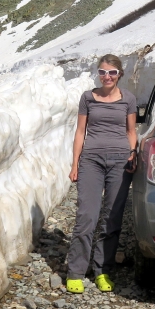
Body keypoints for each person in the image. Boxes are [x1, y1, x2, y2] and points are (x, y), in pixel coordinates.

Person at [66, 54, 137, 294]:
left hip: (120, 161)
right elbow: (80, 132)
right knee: (87, 215)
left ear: (119, 74)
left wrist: (133, 153)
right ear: (98, 74)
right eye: (103, 72)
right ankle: (76, 271)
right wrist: (75, 163)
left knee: (112, 217)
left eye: (112, 72)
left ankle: (102, 270)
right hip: (91, 161)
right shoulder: (88, 97)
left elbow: (131, 131)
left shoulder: (128, 98)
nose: (107, 76)